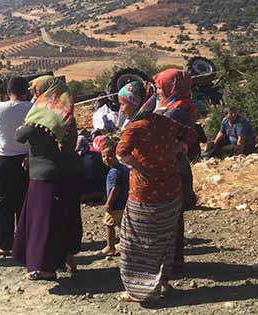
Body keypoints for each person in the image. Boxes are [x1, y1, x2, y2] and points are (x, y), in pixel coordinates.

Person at [115, 81, 197, 303]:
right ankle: (162, 283)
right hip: (171, 192)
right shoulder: (165, 122)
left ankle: (140, 291)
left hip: (144, 195)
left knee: (138, 244)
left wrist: (139, 168)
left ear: (134, 104)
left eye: (123, 104)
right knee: (165, 241)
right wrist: (178, 151)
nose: (121, 108)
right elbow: (191, 135)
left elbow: (121, 154)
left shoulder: (134, 127)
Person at [13, 75, 84, 280]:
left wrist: (33, 112)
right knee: (65, 217)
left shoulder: (43, 115)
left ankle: (45, 268)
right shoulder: (65, 115)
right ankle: (68, 258)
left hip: (45, 177)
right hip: (68, 173)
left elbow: (20, 135)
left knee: (44, 223)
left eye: (36, 91)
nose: (34, 95)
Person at [0, 77, 32, 256]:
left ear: (8, 92)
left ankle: (4, 244)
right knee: (23, 202)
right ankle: (23, 241)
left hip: (3, 160)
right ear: (26, 91)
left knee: (2, 203)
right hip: (25, 160)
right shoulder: (31, 107)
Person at [154, 69, 199, 265]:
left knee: (168, 215)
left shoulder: (175, 111)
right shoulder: (183, 106)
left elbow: (158, 135)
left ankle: (171, 260)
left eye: (160, 87)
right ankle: (175, 258)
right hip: (178, 166)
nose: (158, 91)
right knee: (175, 216)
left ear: (169, 87)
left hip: (170, 168)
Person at [101, 139, 129, 256]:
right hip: (124, 202)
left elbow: (115, 188)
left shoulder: (114, 172)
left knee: (109, 225)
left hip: (115, 204)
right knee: (122, 224)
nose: (106, 159)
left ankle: (110, 246)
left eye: (109, 156)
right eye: (103, 156)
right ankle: (125, 244)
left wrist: (108, 203)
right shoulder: (124, 168)